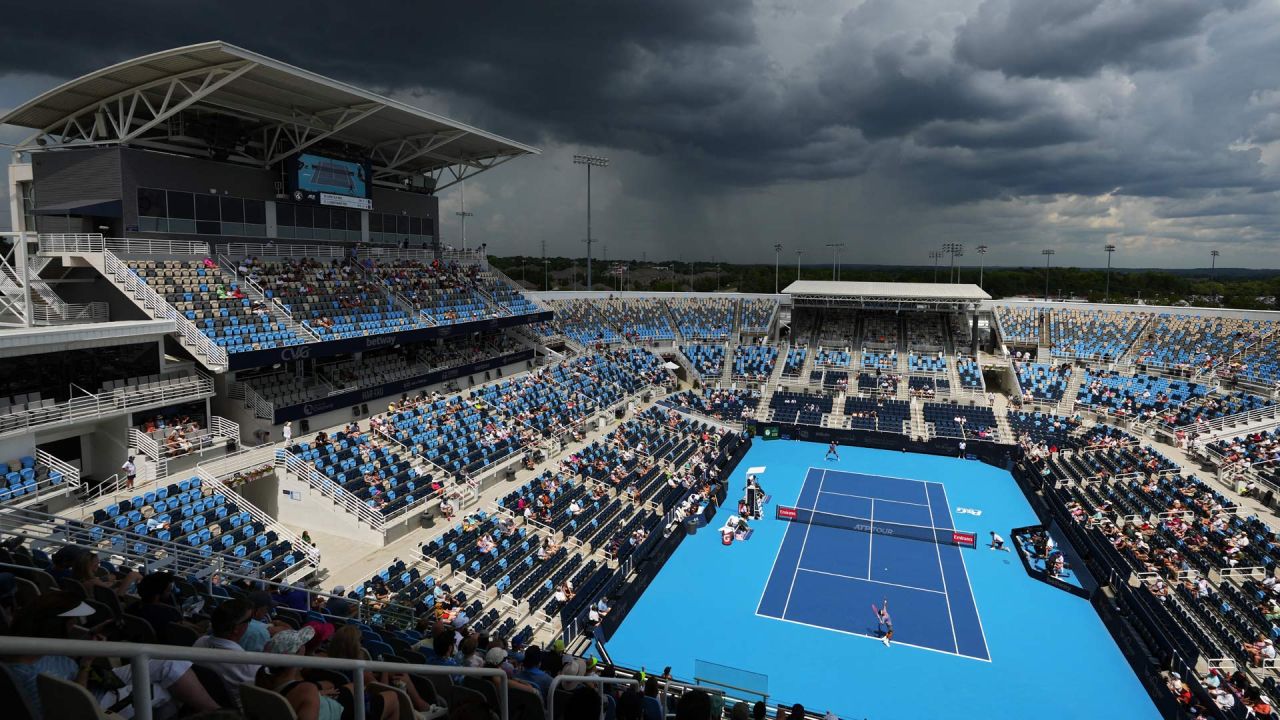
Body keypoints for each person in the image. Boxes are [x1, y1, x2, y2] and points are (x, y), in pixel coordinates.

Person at [5, 591, 219, 718]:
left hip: (96, 681)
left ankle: (217, 713)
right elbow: (70, 704)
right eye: (72, 622)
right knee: (163, 691)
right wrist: (87, 660)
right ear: (55, 625)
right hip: (92, 699)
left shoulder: (33, 644)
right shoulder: (27, 672)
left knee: (169, 664)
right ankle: (219, 714)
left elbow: (60, 664)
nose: (75, 625)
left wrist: (88, 638)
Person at [192, 598, 260, 705]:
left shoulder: (199, 642)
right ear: (236, 629)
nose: (250, 624)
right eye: (249, 620)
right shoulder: (248, 664)